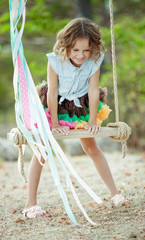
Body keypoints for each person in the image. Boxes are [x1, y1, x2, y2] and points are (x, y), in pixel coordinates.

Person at [23, 18, 126, 219]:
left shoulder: (95, 60)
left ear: (92, 48)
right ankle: (30, 204)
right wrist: (53, 123)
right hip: (56, 105)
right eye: (76, 50)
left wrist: (91, 121)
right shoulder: (55, 60)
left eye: (86, 50)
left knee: (91, 147)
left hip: (80, 106)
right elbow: (52, 93)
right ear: (66, 46)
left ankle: (114, 194)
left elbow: (94, 90)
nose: (81, 55)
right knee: (42, 149)